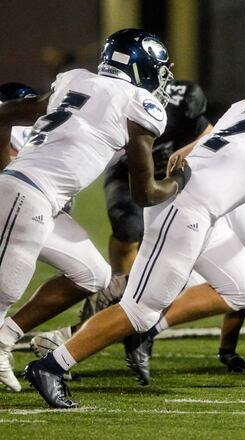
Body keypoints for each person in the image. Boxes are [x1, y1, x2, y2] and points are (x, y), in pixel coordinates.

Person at [23, 58, 245, 408]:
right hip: (187, 209)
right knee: (141, 311)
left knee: (242, 288)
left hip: (203, 209)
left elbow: (185, 153)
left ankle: (88, 336)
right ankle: (52, 364)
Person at [0, 29, 187, 393]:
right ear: (141, 67)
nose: (162, 77)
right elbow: (145, 193)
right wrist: (179, 180)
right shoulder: (139, 104)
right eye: (158, 69)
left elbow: (4, 112)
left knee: (93, 275)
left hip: (33, 196)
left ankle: (4, 339)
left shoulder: (75, 80)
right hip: (29, 194)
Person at [105, 80, 213, 275]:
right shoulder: (124, 104)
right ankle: (119, 286)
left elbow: (209, 138)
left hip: (170, 175)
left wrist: (182, 155)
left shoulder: (182, 106)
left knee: (187, 234)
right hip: (126, 174)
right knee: (128, 230)